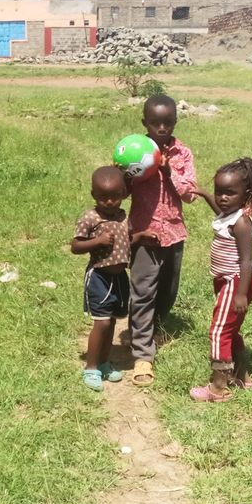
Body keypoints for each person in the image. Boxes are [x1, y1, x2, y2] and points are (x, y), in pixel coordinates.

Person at [126, 94, 198, 387]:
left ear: (175, 121)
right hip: (145, 235)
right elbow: (120, 192)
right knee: (143, 292)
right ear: (145, 122)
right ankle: (143, 355)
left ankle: (150, 327)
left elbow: (190, 194)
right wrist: (125, 174)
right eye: (155, 123)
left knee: (168, 291)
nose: (162, 128)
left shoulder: (183, 153)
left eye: (168, 122)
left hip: (174, 233)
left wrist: (169, 173)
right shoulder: (134, 151)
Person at [187, 158, 252, 402]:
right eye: (218, 191)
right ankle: (242, 375)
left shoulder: (241, 222)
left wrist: (240, 293)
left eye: (230, 193)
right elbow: (221, 213)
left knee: (219, 331)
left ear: (246, 194)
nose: (222, 198)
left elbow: (246, 260)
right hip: (228, 281)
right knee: (231, 329)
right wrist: (204, 194)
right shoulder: (230, 214)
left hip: (236, 281)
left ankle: (218, 388)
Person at [71, 166, 154, 391]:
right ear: (93, 195)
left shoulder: (122, 216)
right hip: (99, 276)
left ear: (124, 194)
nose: (109, 202)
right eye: (102, 197)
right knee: (102, 322)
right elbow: (75, 246)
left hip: (119, 278)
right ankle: (91, 368)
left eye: (115, 197)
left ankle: (104, 363)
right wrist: (96, 242)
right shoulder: (90, 217)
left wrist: (141, 236)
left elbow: (126, 240)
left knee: (113, 322)